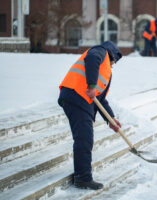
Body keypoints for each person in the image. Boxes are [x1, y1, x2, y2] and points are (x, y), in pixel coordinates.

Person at [58, 41, 122, 190]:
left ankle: (83, 176)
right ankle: (83, 178)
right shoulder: (100, 52)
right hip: (76, 96)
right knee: (84, 138)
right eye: (114, 62)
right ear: (112, 54)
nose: (113, 65)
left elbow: (100, 100)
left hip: (79, 99)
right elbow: (92, 59)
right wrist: (91, 86)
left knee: (85, 138)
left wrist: (110, 119)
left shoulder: (106, 70)